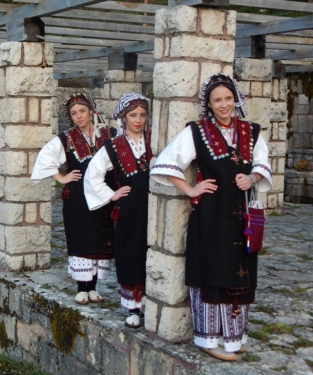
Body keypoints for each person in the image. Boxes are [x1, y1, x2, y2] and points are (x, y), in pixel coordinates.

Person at [150, 73, 272, 361]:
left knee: (241, 272)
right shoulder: (197, 131)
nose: (224, 104)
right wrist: (191, 188)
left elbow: (263, 164)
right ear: (209, 103)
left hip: (242, 215)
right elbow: (166, 163)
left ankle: (234, 338)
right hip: (211, 215)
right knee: (212, 269)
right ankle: (208, 339)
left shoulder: (251, 131)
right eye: (217, 100)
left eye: (228, 98)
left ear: (235, 99)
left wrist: (252, 177)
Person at [31, 93, 117, 306]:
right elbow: (45, 157)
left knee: (100, 239)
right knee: (81, 238)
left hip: (105, 193)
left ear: (91, 110)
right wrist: (61, 177)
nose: (79, 116)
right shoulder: (66, 137)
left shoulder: (109, 133)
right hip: (78, 196)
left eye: (82, 111)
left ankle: (94, 287)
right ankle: (81, 288)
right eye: (74, 113)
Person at [84, 93, 152, 328]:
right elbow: (92, 174)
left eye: (142, 115)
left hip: (153, 209)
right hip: (129, 211)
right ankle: (132, 307)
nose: (138, 120)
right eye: (133, 115)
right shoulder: (113, 147)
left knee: (150, 254)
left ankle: (151, 302)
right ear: (123, 118)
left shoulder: (155, 141)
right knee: (130, 255)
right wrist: (111, 195)